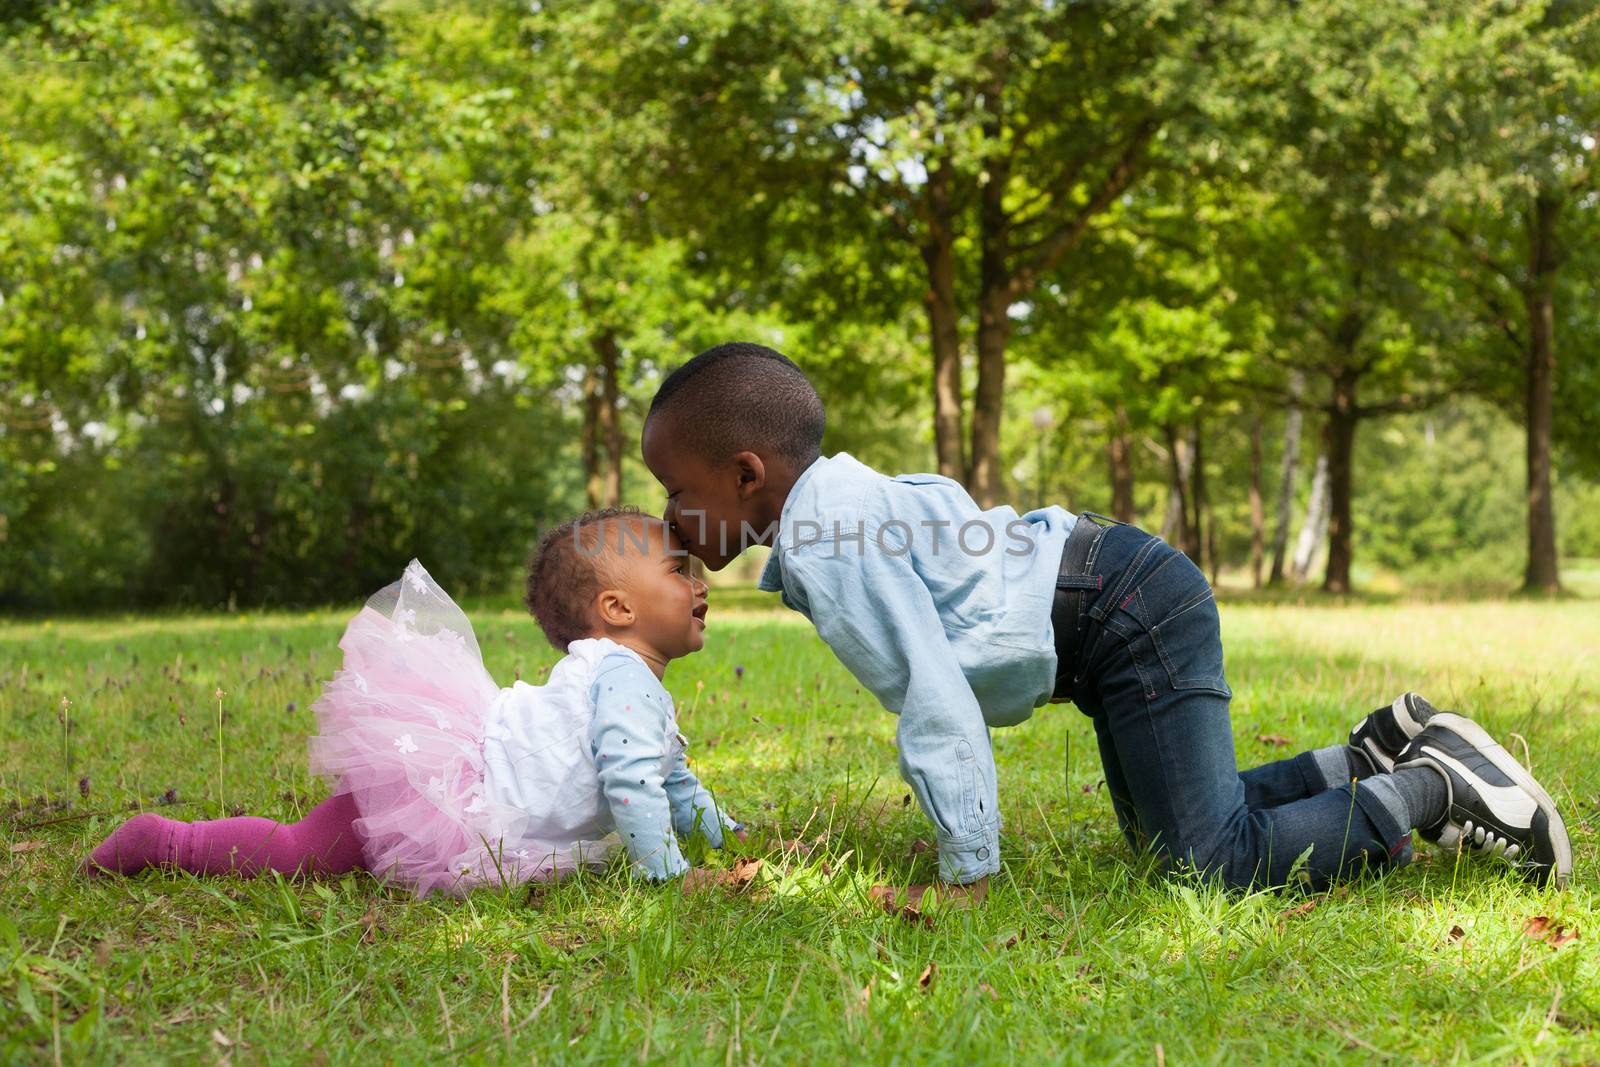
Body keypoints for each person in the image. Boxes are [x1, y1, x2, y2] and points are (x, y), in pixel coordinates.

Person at [640, 341, 1571, 898]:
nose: (670, 518)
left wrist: (969, 869)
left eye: (677, 491)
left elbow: (936, 706)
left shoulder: (832, 538)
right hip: (1114, 598)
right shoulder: (841, 502)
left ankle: (1435, 788)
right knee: (1181, 832)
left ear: (747, 475)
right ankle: (1363, 759)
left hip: (1124, 611)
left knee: (1204, 864)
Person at [83, 508, 742, 896]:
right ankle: (164, 839)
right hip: (450, 787)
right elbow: (632, 784)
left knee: (314, 847)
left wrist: (731, 837)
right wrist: (669, 874)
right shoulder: (622, 677)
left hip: (466, 780)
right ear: (618, 607)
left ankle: (169, 839)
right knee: (303, 852)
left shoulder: (631, 684)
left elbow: (673, 781)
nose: (700, 581)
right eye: (679, 569)